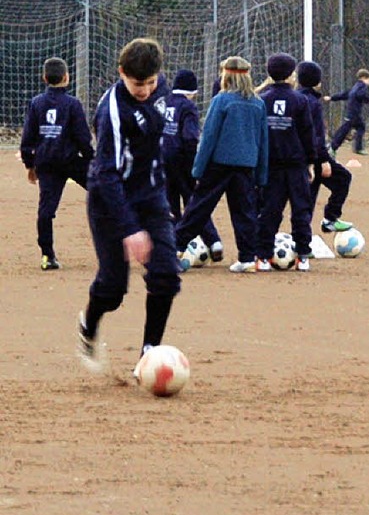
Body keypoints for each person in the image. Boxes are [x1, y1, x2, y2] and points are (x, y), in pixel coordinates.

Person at [77, 38, 182, 375]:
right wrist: (129, 230)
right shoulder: (112, 112)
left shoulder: (161, 88)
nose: (146, 90)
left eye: (151, 82)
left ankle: (147, 355)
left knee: (166, 275)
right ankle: (88, 323)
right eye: (139, 84)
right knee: (112, 289)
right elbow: (106, 174)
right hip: (110, 202)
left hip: (152, 197)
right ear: (121, 73)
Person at [174, 56, 268, 275]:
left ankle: (175, 249)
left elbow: (209, 137)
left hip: (218, 165)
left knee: (198, 208)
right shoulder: (258, 103)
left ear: (225, 75)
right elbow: (263, 142)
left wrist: (198, 168)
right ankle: (247, 257)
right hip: (246, 167)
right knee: (244, 212)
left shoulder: (221, 101)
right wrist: (262, 175)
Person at [20, 57, 94, 271]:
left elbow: (28, 137)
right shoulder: (73, 104)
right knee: (106, 191)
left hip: (47, 163)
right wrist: (93, 160)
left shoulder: (36, 103)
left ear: (45, 78)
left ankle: (47, 255)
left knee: (46, 210)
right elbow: (83, 138)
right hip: (70, 161)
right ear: (66, 77)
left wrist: (29, 164)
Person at [255, 53, 316, 272]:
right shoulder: (300, 100)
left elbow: (258, 135)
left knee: (270, 210)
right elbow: (308, 133)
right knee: (301, 210)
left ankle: (262, 256)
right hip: (295, 165)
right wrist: (311, 161)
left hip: (271, 165)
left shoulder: (262, 99)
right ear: (291, 76)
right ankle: (303, 255)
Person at [162, 68, 222, 265]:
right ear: (193, 91)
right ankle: (213, 241)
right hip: (182, 160)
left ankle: (172, 246)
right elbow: (189, 137)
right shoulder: (188, 107)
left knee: (170, 204)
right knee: (195, 202)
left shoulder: (163, 102)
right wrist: (194, 163)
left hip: (162, 159)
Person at [296, 60, 353, 234]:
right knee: (343, 179)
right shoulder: (312, 103)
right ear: (317, 81)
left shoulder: (296, 97)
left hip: (298, 156)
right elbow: (316, 137)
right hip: (313, 158)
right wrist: (324, 160)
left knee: (308, 197)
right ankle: (329, 219)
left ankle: (305, 236)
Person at [324, 69, 369, 155]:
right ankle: (335, 147)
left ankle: (333, 146)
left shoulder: (355, 86)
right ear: (364, 78)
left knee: (348, 129)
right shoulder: (362, 86)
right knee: (350, 130)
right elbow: (360, 95)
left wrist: (332, 98)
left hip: (351, 113)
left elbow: (344, 95)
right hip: (355, 113)